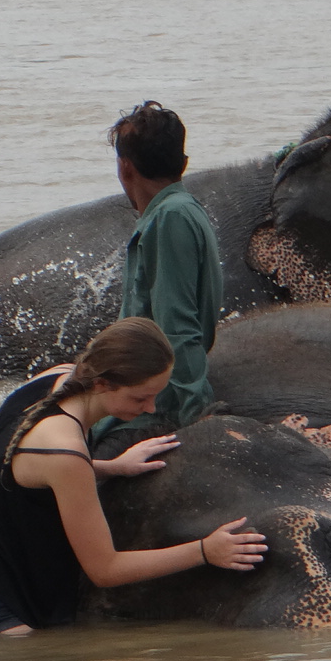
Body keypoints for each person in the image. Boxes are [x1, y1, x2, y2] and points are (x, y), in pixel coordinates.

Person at [0, 317, 266, 635]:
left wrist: (113, 466)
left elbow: (18, 465)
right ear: (100, 383)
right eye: (141, 397)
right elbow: (105, 568)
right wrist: (205, 550)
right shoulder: (65, 452)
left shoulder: (58, 378)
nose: (151, 409)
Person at [98, 101, 224, 448]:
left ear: (125, 169)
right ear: (183, 165)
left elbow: (176, 324)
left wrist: (195, 414)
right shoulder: (180, 210)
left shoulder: (169, 219)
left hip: (149, 406)